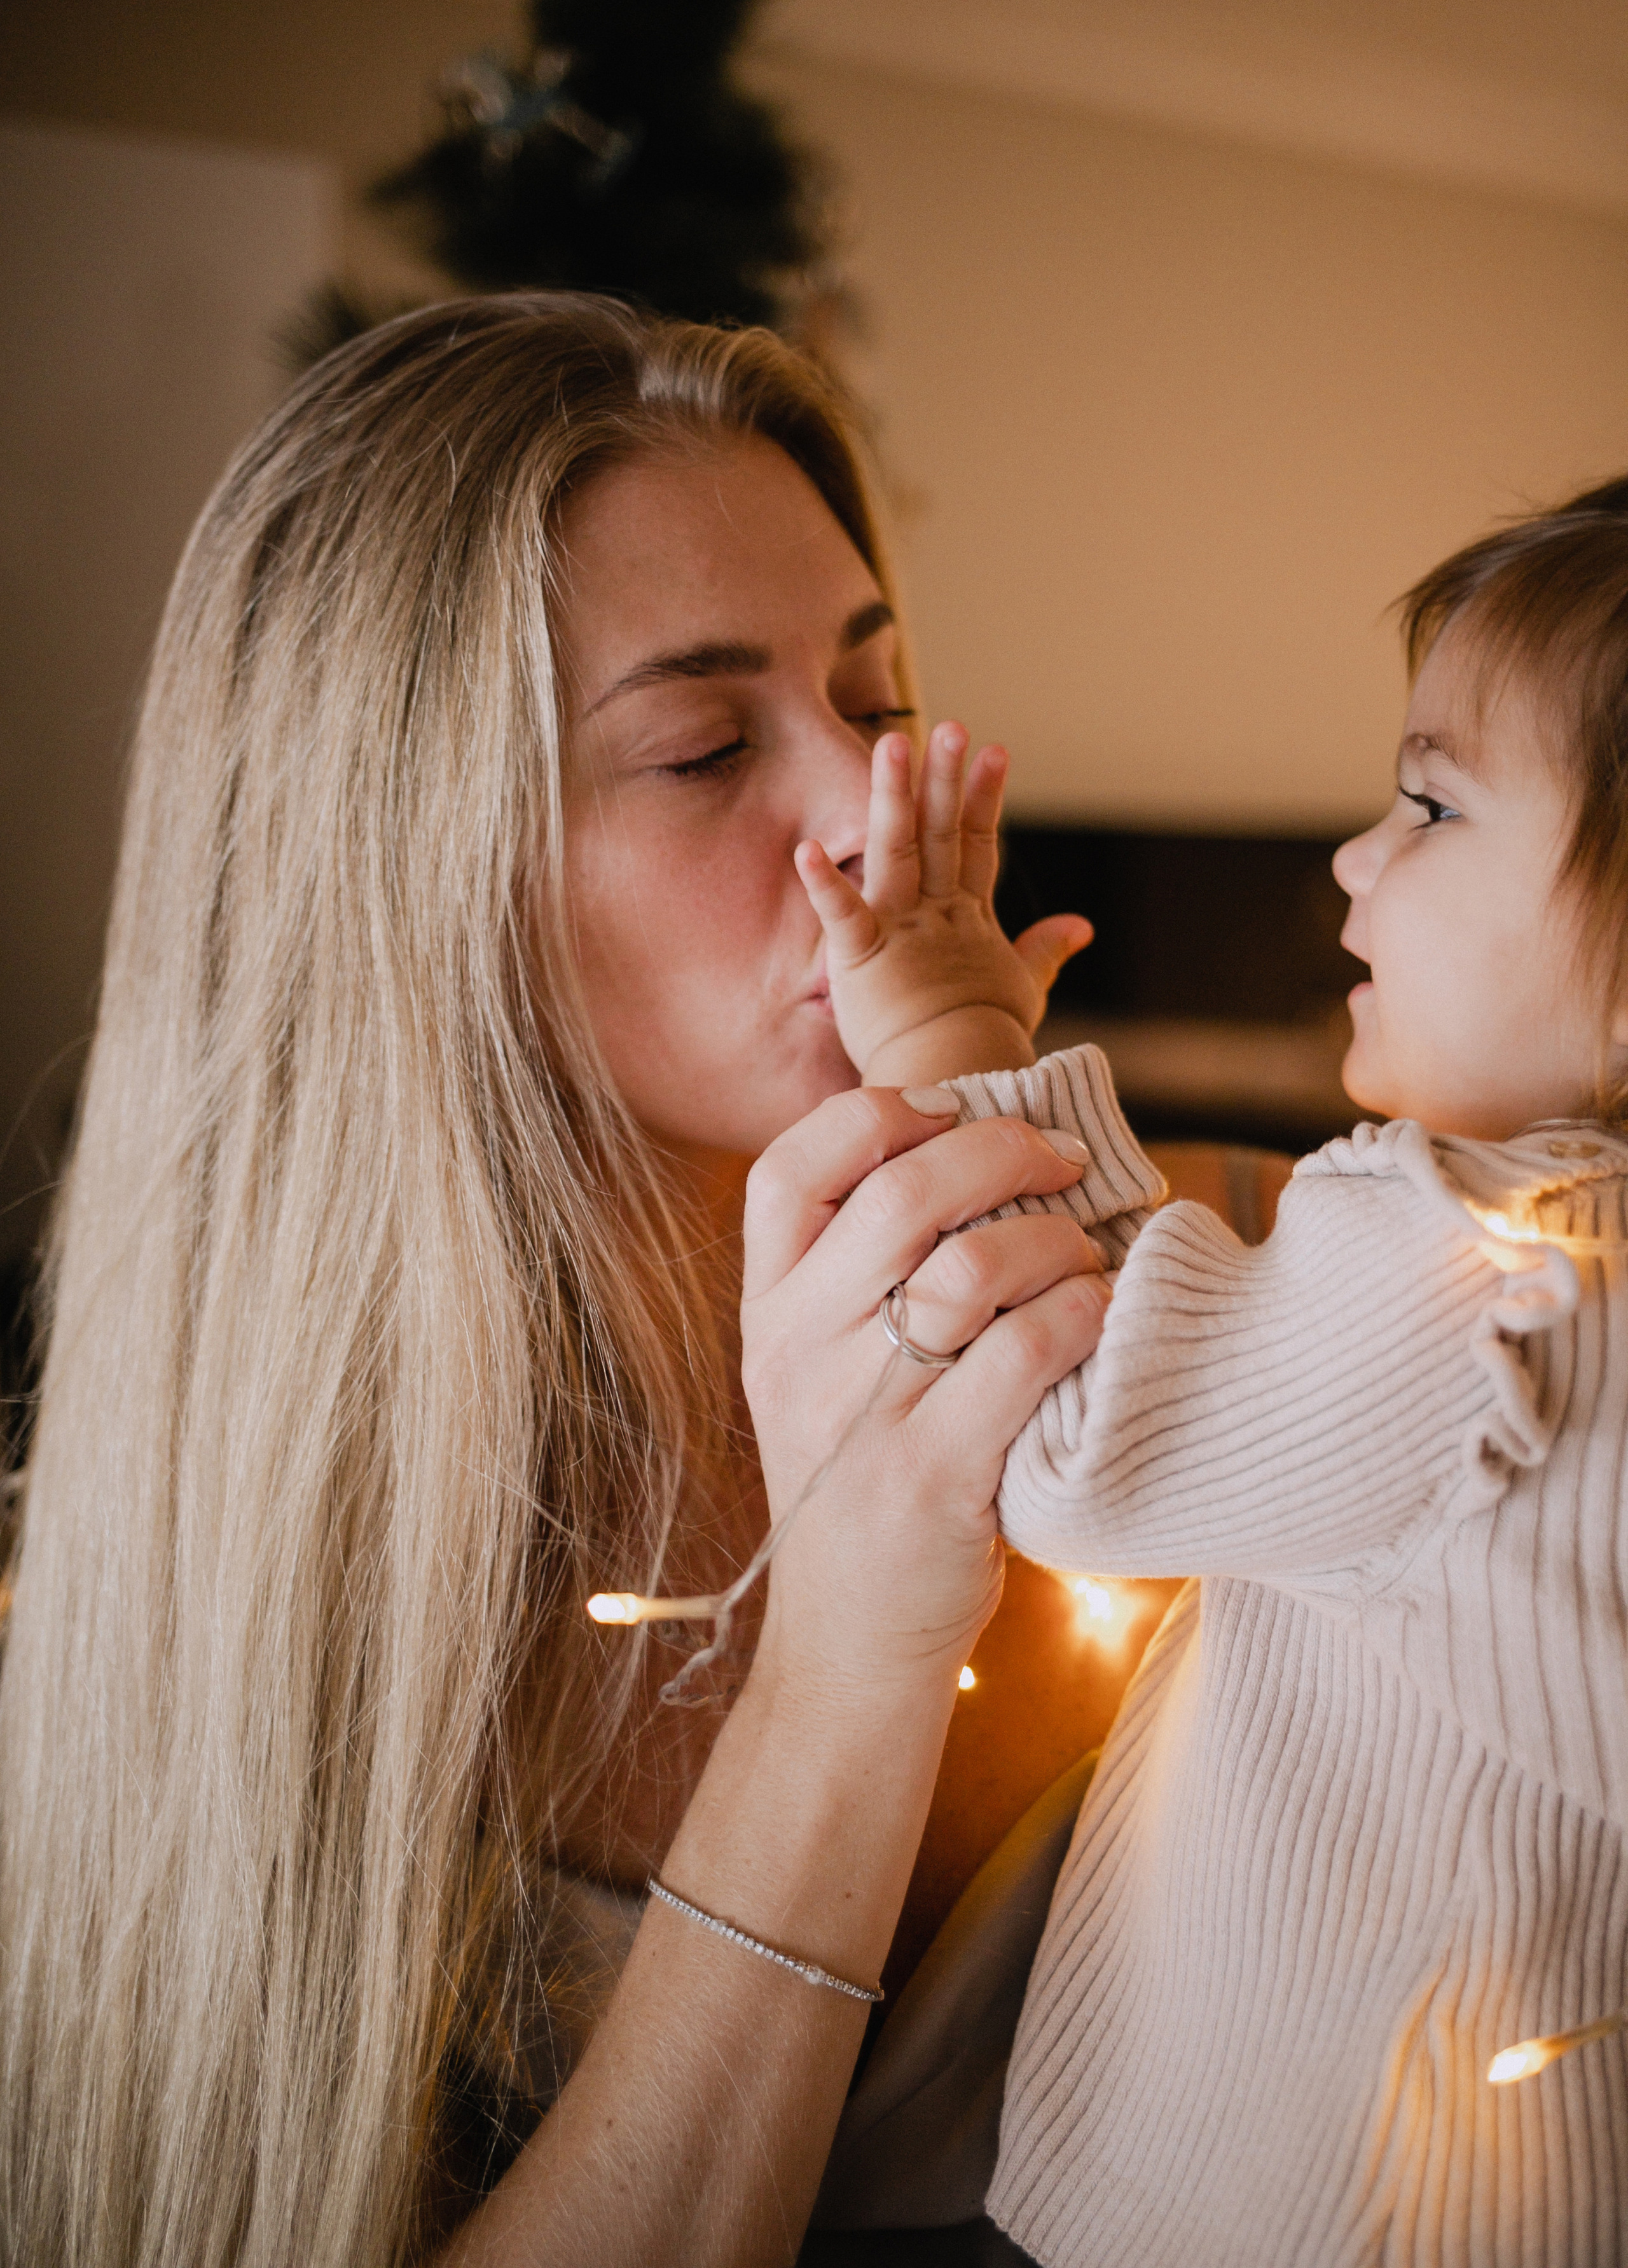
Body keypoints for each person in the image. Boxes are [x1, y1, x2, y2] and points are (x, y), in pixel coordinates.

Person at [0, 288, 1184, 2268]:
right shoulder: (253, 1606)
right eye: (705, 745)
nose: (861, 816)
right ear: (404, 867)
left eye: (877, 705)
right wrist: (844, 1655)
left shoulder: (1170, 1277)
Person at [803, 479, 1628, 2264]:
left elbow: (1081, 1447)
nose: (1356, 856)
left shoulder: (1487, 1279)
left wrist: (960, 1044)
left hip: (1292, 2212)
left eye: (1429, 802)